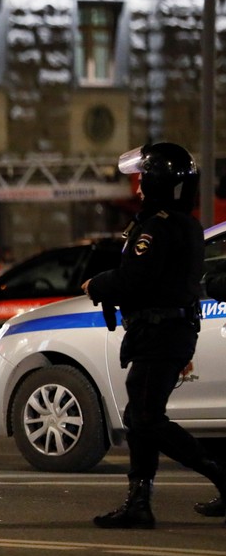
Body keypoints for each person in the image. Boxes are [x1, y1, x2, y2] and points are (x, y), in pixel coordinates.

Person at [82, 142, 226, 528]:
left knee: (144, 418)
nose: (139, 188)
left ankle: (218, 473)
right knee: (140, 416)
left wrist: (99, 284)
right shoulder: (183, 223)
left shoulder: (159, 226)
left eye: (143, 180)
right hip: (164, 333)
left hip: (160, 334)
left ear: (156, 181)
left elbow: (137, 278)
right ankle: (138, 502)